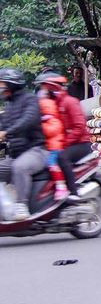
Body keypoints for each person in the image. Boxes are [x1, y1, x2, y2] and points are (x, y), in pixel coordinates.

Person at [0, 69, 47, 220]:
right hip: (16, 153)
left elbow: (28, 120)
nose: (1, 88)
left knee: (19, 167)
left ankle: (21, 206)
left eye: (2, 84)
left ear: (11, 85)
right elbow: (2, 126)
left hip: (37, 150)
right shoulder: (9, 105)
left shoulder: (30, 100)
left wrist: (7, 132)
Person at [35, 72, 91, 200]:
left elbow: (79, 126)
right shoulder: (54, 105)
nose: (44, 92)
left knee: (61, 157)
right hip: (67, 142)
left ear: (55, 88)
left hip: (81, 143)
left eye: (46, 88)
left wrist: (65, 142)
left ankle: (73, 191)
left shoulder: (70, 102)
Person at [35, 81, 68, 201]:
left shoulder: (52, 120)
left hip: (56, 147)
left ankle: (61, 186)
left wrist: (41, 127)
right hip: (51, 146)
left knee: (52, 165)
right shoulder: (48, 118)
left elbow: (52, 131)